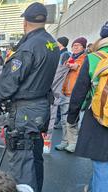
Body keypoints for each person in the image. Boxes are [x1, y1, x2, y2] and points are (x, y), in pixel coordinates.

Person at [0, 3, 60, 192]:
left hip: (25, 112)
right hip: (40, 108)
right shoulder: (51, 43)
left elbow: (8, 82)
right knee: (35, 158)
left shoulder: (28, 47)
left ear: (24, 22)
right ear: (45, 20)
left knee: (22, 164)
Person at [67, 20, 108, 192]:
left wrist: (72, 117)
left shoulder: (94, 58)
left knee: (102, 166)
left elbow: (79, 93)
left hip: (99, 119)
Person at [55, 37, 87, 153]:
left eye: (79, 45)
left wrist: (77, 68)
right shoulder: (68, 58)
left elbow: (87, 75)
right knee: (64, 120)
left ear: (84, 47)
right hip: (64, 94)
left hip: (76, 95)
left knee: (72, 120)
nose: (76, 47)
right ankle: (65, 141)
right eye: (74, 45)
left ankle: (74, 143)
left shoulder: (85, 60)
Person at [54, 36, 71, 129]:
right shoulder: (61, 53)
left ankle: (59, 119)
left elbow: (63, 68)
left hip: (60, 80)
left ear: (61, 43)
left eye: (58, 42)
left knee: (60, 100)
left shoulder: (65, 54)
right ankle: (58, 119)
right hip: (58, 79)